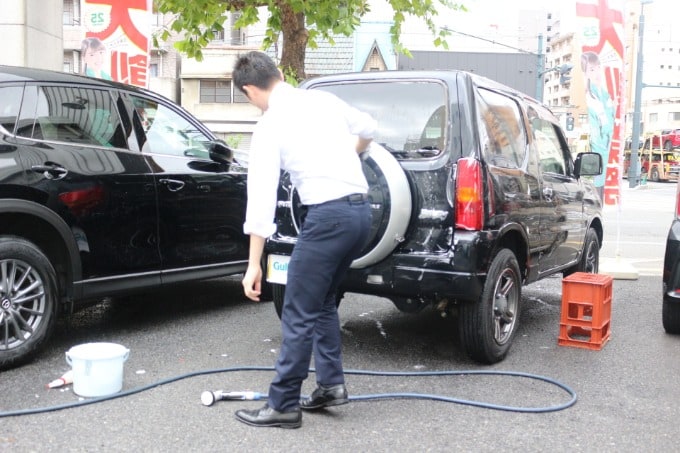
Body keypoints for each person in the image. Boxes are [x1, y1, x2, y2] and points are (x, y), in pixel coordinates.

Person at [233, 51, 376, 429]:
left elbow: (261, 201)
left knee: (297, 307)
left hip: (328, 217)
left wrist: (253, 265)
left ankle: (282, 404)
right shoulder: (322, 100)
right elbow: (370, 127)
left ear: (250, 90)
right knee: (322, 299)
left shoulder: (270, 124)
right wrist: (351, 153)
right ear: (279, 75)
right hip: (362, 214)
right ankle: (330, 386)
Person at [581, 51, 614, 201]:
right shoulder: (592, 96)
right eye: (591, 69)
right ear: (586, 73)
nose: (596, 72)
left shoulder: (603, 92)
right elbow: (602, 126)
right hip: (601, 148)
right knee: (598, 188)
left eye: (598, 67)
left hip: (607, 147)